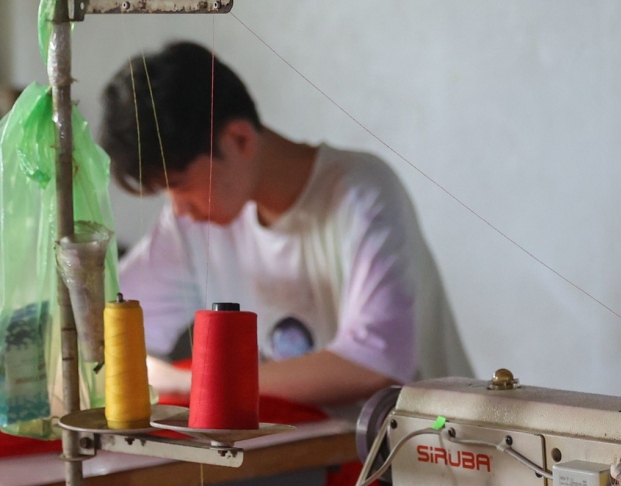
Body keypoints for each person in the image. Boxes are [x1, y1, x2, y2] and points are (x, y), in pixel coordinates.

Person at [99, 41, 470, 410]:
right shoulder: (194, 222)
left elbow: (375, 362)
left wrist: (188, 383)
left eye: (179, 186)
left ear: (239, 140)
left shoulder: (360, 193)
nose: (177, 209)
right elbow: (108, 324)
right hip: (312, 452)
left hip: (423, 450)